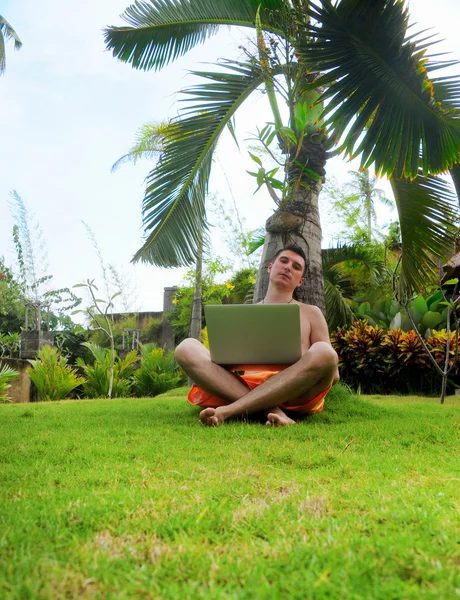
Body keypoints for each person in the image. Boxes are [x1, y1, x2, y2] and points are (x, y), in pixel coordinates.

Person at [175, 245, 339, 427]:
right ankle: (272, 411)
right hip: (243, 387)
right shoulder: (243, 314)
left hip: (295, 393)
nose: (287, 267)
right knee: (186, 347)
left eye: (296, 266)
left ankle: (231, 411)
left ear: (300, 281)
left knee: (325, 352)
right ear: (270, 268)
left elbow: (333, 374)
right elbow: (223, 365)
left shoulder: (311, 313)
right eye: (283, 261)